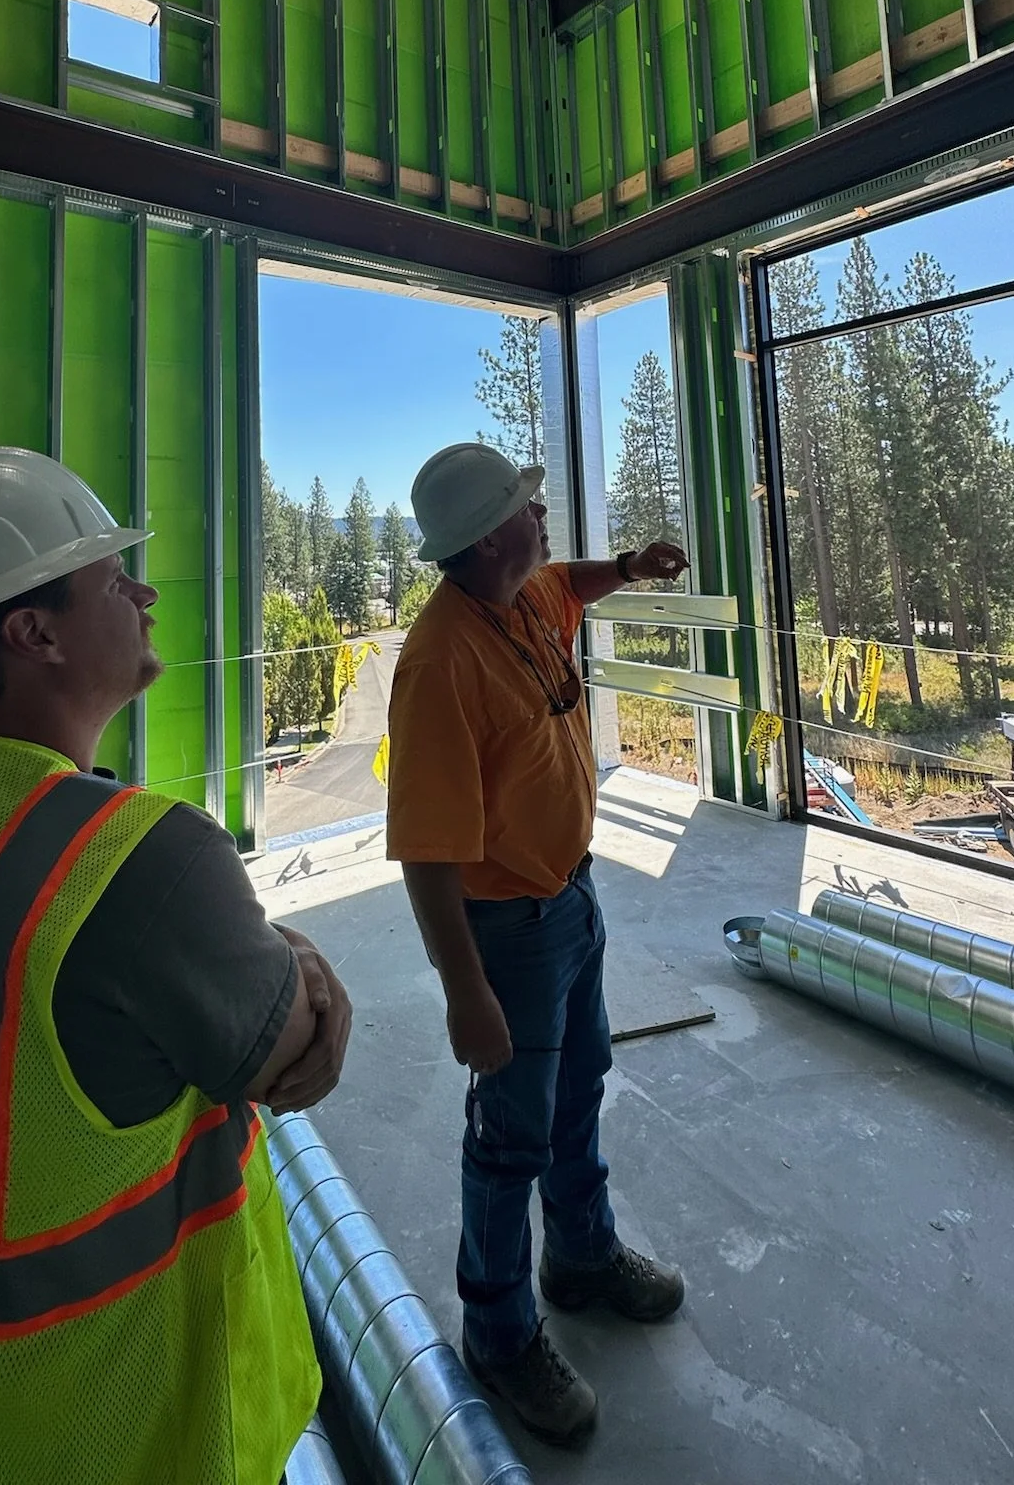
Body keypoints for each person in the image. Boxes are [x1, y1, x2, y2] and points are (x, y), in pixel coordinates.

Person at [0, 447, 351, 1485]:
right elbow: (293, 1054)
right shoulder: (145, 861)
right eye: (113, 579)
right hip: (122, 1426)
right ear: (33, 633)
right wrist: (303, 959)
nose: (145, 595)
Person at [385, 441, 689, 1451]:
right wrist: (465, 991)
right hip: (506, 931)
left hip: (570, 899)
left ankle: (582, 1256)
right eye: (527, 507)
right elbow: (428, 849)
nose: (543, 514)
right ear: (484, 538)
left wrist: (630, 568)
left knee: (577, 1087)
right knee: (509, 1136)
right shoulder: (441, 663)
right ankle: (500, 1333)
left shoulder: (525, 595)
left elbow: (571, 582)